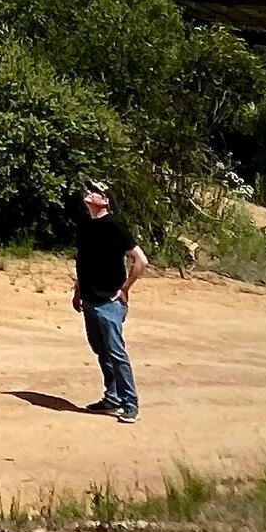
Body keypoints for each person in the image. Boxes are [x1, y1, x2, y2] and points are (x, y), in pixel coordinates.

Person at [71, 179, 146, 423]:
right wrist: (77, 291)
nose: (89, 193)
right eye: (89, 190)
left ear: (105, 200)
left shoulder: (115, 227)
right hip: (89, 299)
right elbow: (81, 261)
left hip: (109, 302)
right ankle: (112, 398)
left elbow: (141, 260)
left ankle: (130, 403)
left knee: (116, 353)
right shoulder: (84, 226)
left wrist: (125, 289)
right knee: (100, 349)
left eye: (95, 191)